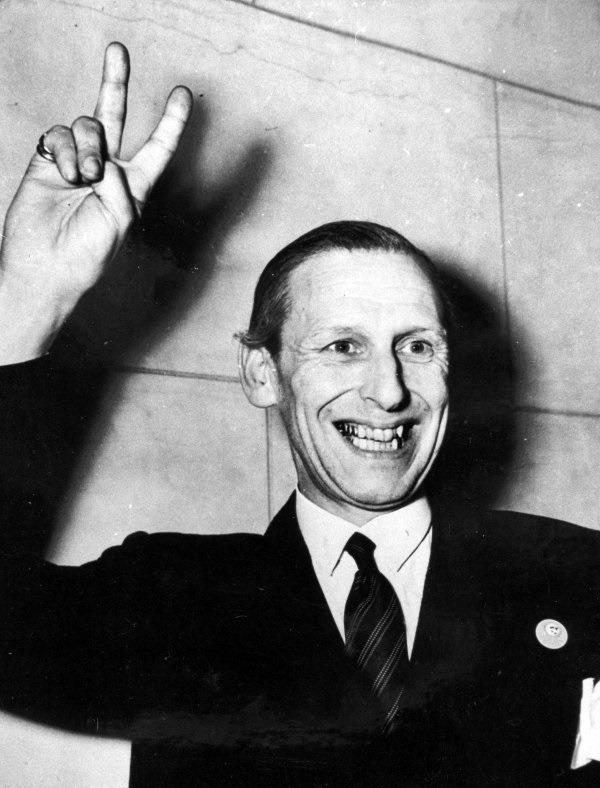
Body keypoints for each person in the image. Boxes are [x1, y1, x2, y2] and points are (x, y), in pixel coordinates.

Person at [0, 42, 599, 788]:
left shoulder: (575, 574)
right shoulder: (168, 598)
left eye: (416, 346)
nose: (388, 391)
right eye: (343, 346)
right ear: (263, 372)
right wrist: (27, 299)